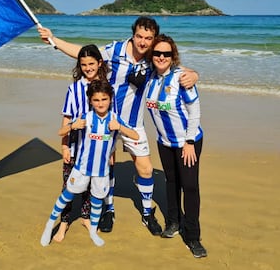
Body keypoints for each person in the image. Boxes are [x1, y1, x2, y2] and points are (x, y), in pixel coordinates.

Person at [38, 16, 198, 235]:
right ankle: (109, 209)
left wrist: (194, 74)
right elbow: (86, 54)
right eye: (140, 36)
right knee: (107, 165)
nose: (143, 42)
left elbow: (174, 67)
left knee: (146, 168)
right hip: (106, 119)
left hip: (133, 123)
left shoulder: (153, 57)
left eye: (148, 38)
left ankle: (147, 212)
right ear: (133, 34)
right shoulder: (115, 50)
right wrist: (54, 40)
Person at [40, 79, 138, 247]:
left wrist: (120, 128)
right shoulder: (86, 118)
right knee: (67, 196)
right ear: (90, 101)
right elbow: (60, 131)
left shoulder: (115, 119)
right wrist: (73, 125)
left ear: (110, 99)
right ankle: (49, 225)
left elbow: (136, 136)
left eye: (104, 99)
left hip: (102, 171)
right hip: (81, 169)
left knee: (97, 200)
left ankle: (93, 231)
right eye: (96, 100)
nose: (101, 103)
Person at [145, 34, 207, 258]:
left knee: (189, 187)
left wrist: (189, 142)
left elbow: (195, 112)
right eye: (157, 53)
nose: (161, 57)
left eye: (166, 54)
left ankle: (193, 236)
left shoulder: (182, 78)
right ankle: (173, 222)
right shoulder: (149, 77)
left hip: (187, 143)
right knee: (171, 183)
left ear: (173, 57)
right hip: (164, 142)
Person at [52, 44, 109, 242]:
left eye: (91, 63)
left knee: (90, 186)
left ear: (99, 63)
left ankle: (85, 217)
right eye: (84, 64)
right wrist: (65, 146)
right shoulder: (74, 89)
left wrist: (111, 154)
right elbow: (67, 118)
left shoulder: (107, 88)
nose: (88, 68)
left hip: (97, 149)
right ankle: (64, 223)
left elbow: (113, 123)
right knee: (68, 186)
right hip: (76, 146)